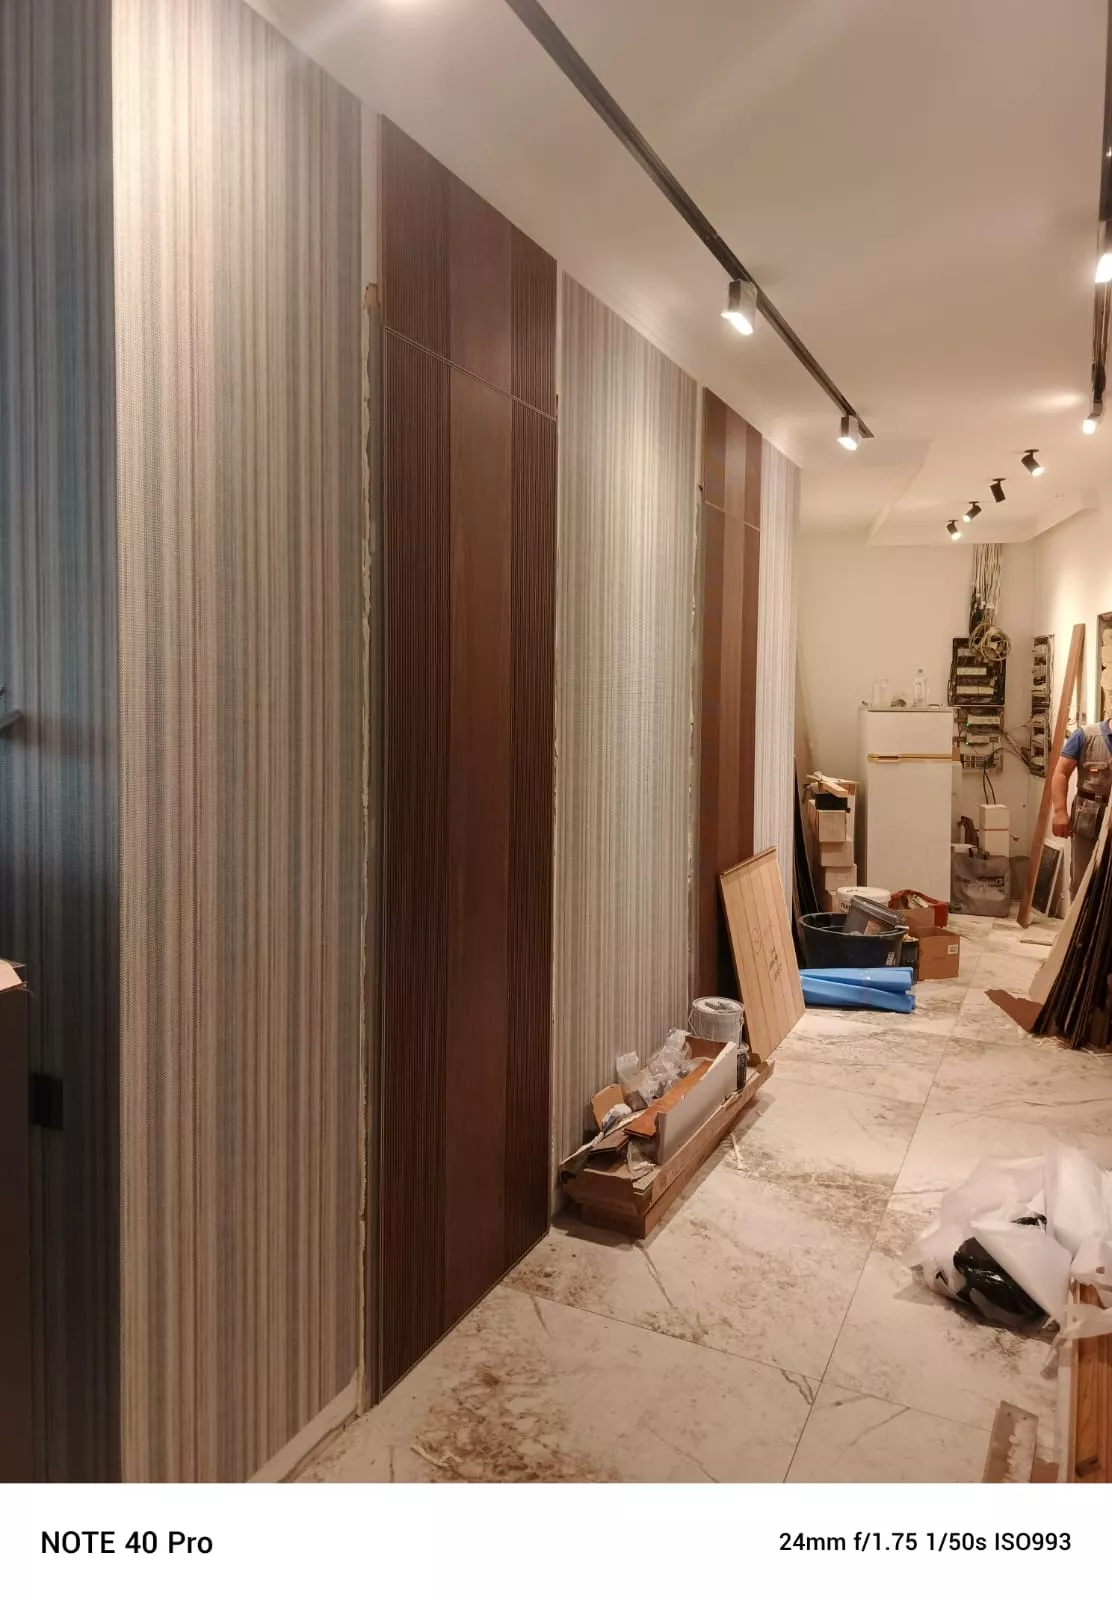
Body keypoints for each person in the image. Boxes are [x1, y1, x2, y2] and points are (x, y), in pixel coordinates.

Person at [1051, 717, 1112, 896]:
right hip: (1089, 816)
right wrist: (1060, 812)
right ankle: (1078, 915)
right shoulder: (1085, 735)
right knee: (1082, 879)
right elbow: (1061, 773)